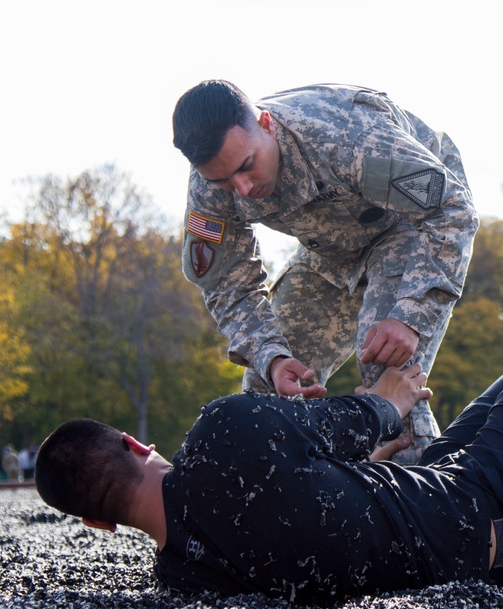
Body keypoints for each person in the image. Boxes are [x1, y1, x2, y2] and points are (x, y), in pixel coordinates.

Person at [35, 334, 503, 602]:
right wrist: (387, 397)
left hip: (466, 547)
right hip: (482, 512)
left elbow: (301, 523)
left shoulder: (183, 579)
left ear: (98, 521)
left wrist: (368, 462)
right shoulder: (219, 433)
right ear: (136, 446)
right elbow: (365, 411)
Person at [171, 80, 480, 463]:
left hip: (410, 224)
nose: (243, 187)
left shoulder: (345, 135)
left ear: (266, 123)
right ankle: (290, 512)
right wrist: (272, 357)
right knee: (269, 394)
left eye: (247, 166)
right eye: (223, 180)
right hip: (330, 248)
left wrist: (412, 316)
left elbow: (452, 209)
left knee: (387, 377)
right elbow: (226, 284)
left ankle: (430, 504)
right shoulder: (210, 185)